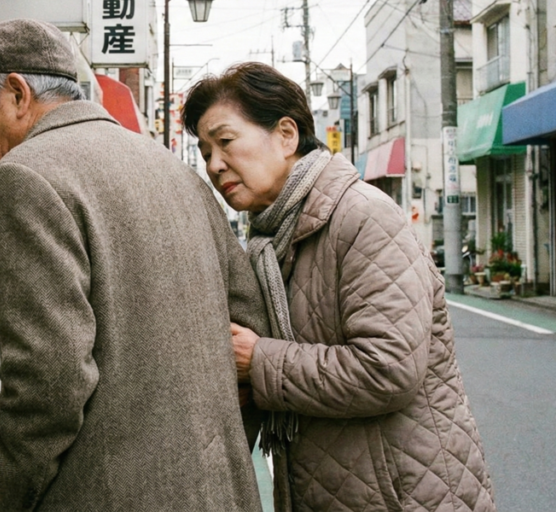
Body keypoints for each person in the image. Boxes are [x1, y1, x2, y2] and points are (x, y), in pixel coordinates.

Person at [0, 18, 269, 512]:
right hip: (218, 491)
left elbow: (49, 378)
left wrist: (15, 488)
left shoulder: (23, 178)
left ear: (18, 94)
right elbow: (249, 322)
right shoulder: (176, 171)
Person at [183, 61, 496, 512]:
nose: (214, 164)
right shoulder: (273, 239)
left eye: (225, 141)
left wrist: (260, 361)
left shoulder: (363, 216)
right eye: (205, 151)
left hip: (402, 494)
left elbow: (388, 369)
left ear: (286, 135)